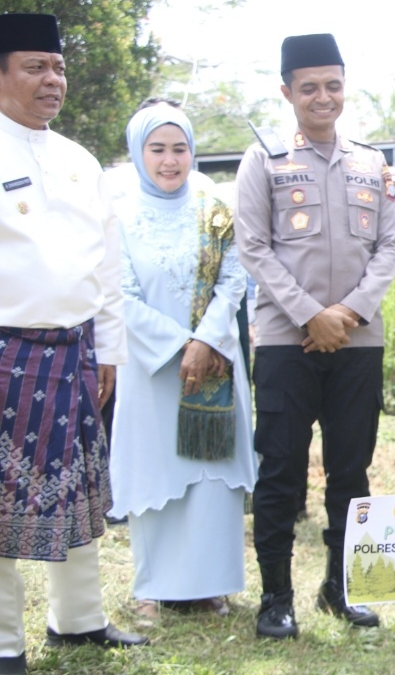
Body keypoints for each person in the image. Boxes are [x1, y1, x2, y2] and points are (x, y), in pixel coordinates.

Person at [235, 32, 395, 638]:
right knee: (280, 470)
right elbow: (253, 245)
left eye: (332, 84)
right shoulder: (265, 159)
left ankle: (341, 586)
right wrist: (312, 314)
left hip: (358, 342)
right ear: (287, 91)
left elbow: (389, 246)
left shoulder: (371, 162)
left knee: (351, 471)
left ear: (343, 86)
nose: (322, 96)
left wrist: (349, 314)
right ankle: (276, 597)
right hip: (286, 341)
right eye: (309, 87)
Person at [0, 12, 147, 675]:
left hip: (78, 351)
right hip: (6, 351)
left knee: (83, 487)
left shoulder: (80, 159)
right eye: (35, 67)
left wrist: (109, 349)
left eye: (57, 67)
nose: (52, 80)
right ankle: (4, 641)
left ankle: (80, 620)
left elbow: (107, 268)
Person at [106, 104, 257, 623]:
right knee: (156, 472)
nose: (170, 160)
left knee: (210, 477)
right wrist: (178, 346)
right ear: (137, 153)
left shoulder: (214, 209)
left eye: (179, 148)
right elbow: (119, 295)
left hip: (213, 364)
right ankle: (153, 586)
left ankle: (210, 584)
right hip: (152, 371)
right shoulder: (119, 216)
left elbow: (234, 281)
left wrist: (207, 342)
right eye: (158, 149)